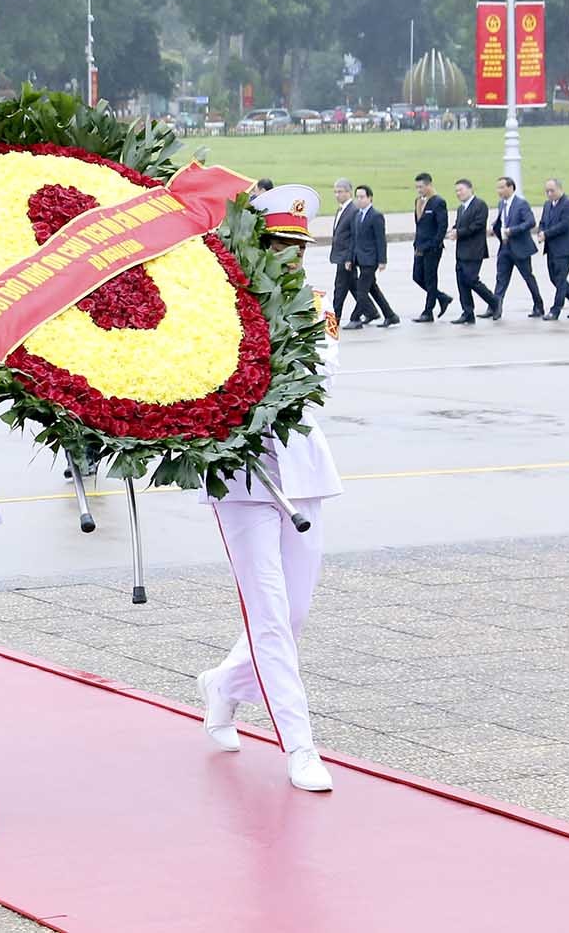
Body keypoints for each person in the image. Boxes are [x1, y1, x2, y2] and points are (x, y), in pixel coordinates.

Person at [198, 184, 339, 794]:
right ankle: (300, 746)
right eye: (278, 246)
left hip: (301, 467)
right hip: (243, 475)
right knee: (270, 616)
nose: (289, 260)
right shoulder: (218, 300)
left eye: (298, 249)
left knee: (295, 611)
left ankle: (225, 685)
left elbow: (326, 372)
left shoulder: (314, 299)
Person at [490, 176, 544, 319]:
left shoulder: (521, 204)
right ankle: (495, 307)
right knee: (501, 279)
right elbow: (503, 220)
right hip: (505, 247)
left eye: (502, 187)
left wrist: (512, 230)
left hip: (520, 248)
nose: (499, 191)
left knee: (528, 277)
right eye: (498, 188)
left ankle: (538, 305)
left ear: (511, 187)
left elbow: (530, 222)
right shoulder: (502, 203)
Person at [536, 178, 569, 320]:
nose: (549, 194)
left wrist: (546, 234)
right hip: (550, 249)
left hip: (563, 249)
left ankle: (556, 310)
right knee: (555, 279)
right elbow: (543, 222)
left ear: (560, 189)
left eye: (552, 190)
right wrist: (541, 232)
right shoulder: (547, 205)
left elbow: (565, 224)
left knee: (561, 280)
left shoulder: (568, 204)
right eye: (547, 191)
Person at [448, 179, 498, 324]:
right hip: (461, 250)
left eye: (461, 190)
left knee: (471, 279)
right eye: (456, 191)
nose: (458, 193)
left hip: (475, 250)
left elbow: (477, 225)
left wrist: (459, 233)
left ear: (470, 189)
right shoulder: (460, 208)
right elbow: (459, 225)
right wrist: (453, 230)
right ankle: (468, 312)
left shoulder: (480, 205)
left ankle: (494, 301)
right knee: (461, 282)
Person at [347, 186, 395, 328]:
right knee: (373, 289)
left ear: (370, 198)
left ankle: (355, 318)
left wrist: (382, 261)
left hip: (371, 260)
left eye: (362, 197)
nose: (359, 200)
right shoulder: (356, 216)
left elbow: (381, 240)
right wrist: (350, 258)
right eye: (358, 197)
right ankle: (390, 315)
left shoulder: (376, 216)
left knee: (361, 291)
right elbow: (353, 240)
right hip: (359, 258)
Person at [411, 174, 451, 322]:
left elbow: (442, 226)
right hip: (419, 246)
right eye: (417, 187)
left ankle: (428, 311)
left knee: (430, 278)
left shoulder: (438, 202)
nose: (419, 190)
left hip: (432, 248)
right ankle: (442, 297)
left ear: (429, 185)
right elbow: (419, 225)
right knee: (417, 276)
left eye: (421, 187)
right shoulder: (417, 201)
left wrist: (435, 244)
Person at [327, 180, 359, 324]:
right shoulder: (341, 209)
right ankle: (372, 311)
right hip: (340, 254)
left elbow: (354, 237)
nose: (337, 195)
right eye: (335, 192)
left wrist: (349, 258)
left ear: (349, 192)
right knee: (353, 286)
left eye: (340, 191)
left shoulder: (353, 210)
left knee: (339, 287)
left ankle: (335, 317)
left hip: (346, 256)